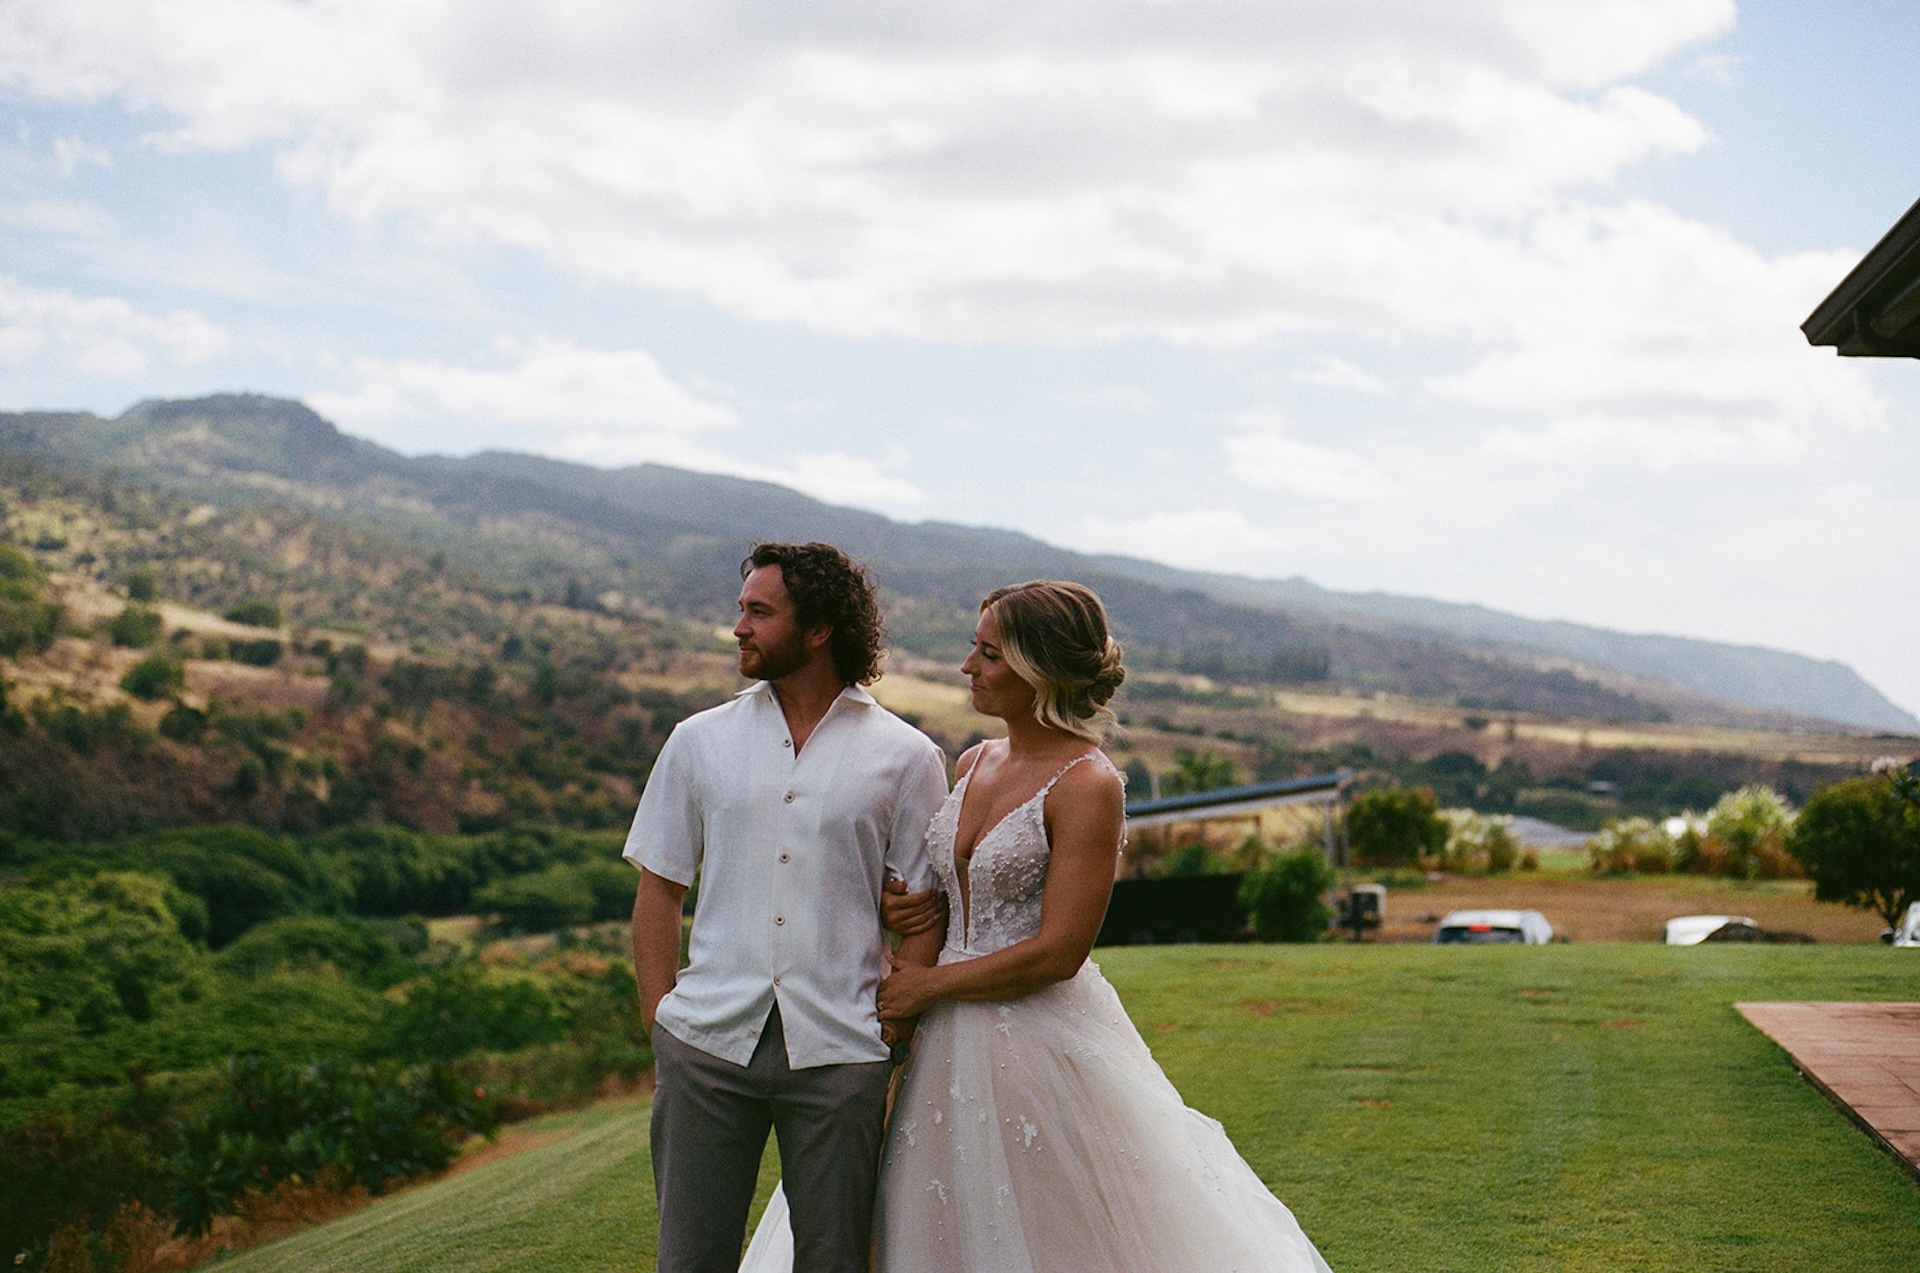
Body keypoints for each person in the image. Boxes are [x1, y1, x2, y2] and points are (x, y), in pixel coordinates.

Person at [742, 580, 1332, 1271]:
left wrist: (928, 987)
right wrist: (903, 907)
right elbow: (946, 891)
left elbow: (1059, 951)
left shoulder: (1089, 783)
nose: (968, 667)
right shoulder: (974, 761)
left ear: (1038, 668)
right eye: (974, 648)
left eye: (988, 654)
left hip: (1029, 1038)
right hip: (927, 1030)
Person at [627, 541, 949, 1273]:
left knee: (835, 1261)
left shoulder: (906, 757)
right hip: (705, 1044)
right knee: (689, 1260)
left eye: (759, 611)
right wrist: (661, 1021)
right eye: (742, 608)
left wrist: (890, 1025)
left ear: (819, 629)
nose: (739, 625)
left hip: (840, 1050)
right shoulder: (697, 741)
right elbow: (659, 886)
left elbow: (924, 908)